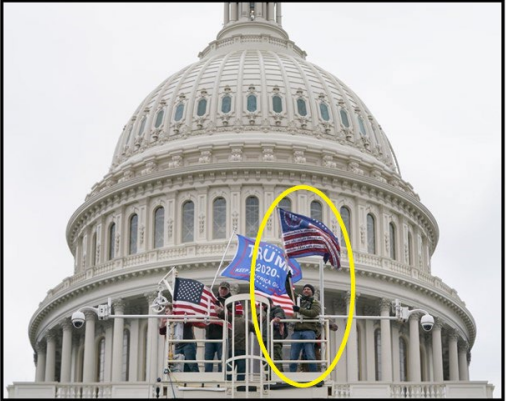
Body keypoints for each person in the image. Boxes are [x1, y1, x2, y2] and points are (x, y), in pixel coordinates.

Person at [215, 304, 255, 381]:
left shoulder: (231, 319)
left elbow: (222, 314)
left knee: (229, 368)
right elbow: (257, 331)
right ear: (242, 313)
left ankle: (228, 383)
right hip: (243, 349)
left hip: (232, 348)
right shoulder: (247, 322)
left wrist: (219, 309)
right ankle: (240, 385)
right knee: (241, 370)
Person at [159, 303, 201, 372]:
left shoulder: (181, 316)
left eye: (167, 311)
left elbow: (189, 323)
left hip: (187, 344)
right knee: (181, 367)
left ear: (172, 311)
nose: (165, 314)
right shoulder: (169, 322)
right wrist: (162, 323)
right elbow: (162, 332)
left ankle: (197, 380)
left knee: (192, 365)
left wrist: (177, 317)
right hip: (178, 346)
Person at [289, 284, 321, 373]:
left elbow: (313, 313)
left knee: (310, 354)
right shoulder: (299, 300)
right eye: (305, 289)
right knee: (293, 355)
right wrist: (287, 280)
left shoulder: (315, 303)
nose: (306, 290)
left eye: (308, 289)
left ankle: (314, 375)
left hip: (309, 331)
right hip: (297, 331)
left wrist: (299, 310)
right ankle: (291, 375)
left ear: (312, 292)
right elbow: (290, 292)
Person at [204, 281, 232, 372]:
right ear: (219, 288)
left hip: (222, 335)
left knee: (222, 361)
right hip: (210, 335)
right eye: (221, 288)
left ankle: (222, 379)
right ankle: (207, 379)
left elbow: (232, 318)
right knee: (208, 360)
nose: (223, 291)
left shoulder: (231, 302)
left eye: (225, 289)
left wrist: (222, 312)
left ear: (228, 290)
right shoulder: (212, 300)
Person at [260, 297, 287, 372]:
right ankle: (269, 377)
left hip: (274, 339)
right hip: (265, 340)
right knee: (265, 360)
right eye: (262, 305)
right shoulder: (265, 314)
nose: (263, 306)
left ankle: (278, 378)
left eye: (264, 304)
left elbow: (279, 314)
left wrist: (277, 318)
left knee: (276, 359)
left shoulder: (277, 310)